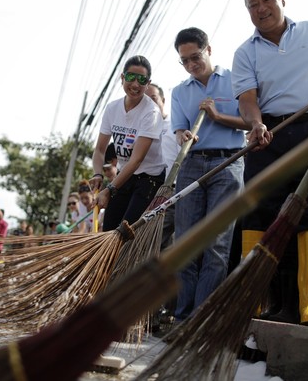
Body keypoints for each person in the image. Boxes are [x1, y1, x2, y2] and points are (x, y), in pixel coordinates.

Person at [231, 0, 308, 325]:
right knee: (259, 213)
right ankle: (253, 301)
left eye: (267, 0)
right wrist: (256, 124)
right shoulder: (244, 52)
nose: (261, 9)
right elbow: (248, 102)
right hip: (269, 138)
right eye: (253, 5)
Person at [171, 27, 248, 321]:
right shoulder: (179, 91)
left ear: (209, 50)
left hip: (229, 163)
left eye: (195, 57)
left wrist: (217, 117)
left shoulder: (235, 80)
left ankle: (201, 320)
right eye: (185, 61)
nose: (192, 65)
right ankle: (181, 318)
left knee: (217, 244)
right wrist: (184, 135)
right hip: (191, 164)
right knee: (187, 243)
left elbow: (250, 122)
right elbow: (178, 129)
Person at [89, 55, 165, 231]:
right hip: (125, 176)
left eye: (142, 80)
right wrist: (97, 174)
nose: (136, 85)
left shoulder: (151, 113)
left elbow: (136, 160)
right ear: (122, 78)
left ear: (148, 83)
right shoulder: (112, 108)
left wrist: (109, 189)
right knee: (108, 228)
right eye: (130, 77)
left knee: (125, 230)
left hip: (149, 179)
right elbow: (100, 150)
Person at [146, 82, 179, 251]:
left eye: (153, 98)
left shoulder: (176, 126)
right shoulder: (143, 130)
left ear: (163, 100)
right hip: (149, 194)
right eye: (146, 100)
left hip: (171, 192)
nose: (150, 104)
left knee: (152, 243)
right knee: (162, 247)